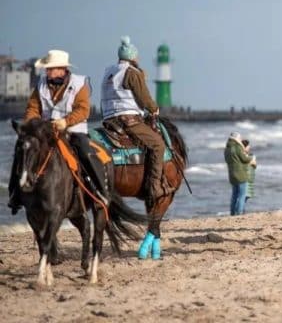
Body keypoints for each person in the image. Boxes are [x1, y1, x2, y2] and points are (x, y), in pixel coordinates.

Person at [8, 49, 108, 215]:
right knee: (21, 151)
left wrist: (66, 122)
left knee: (86, 151)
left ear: (62, 69)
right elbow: (33, 108)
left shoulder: (79, 84)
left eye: (51, 68)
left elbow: (83, 110)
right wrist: (32, 124)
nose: (48, 71)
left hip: (73, 131)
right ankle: (15, 195)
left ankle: (100, 191)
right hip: (45, 132)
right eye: (47, 69)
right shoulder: (40, 84)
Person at [101, 36, 171, 200]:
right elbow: (144, 97)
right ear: (132, 57)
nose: (138, 59)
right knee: (158, 145)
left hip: (108, 118)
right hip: (128, 120)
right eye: (137, 57)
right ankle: (154, 187)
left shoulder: (109, 71)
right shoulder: (132, 73)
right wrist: (154, 109)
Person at [225, 132, 256, 215]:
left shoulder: (227, 148)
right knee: (242, 195)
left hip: (232, 174)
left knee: (234, 195)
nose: (240, 140)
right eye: (239, 138)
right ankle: (239, 212)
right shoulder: (237, 147)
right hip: (241, 174)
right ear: (236, 138)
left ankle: (232, 212)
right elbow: (244, 159)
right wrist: (251, 158)